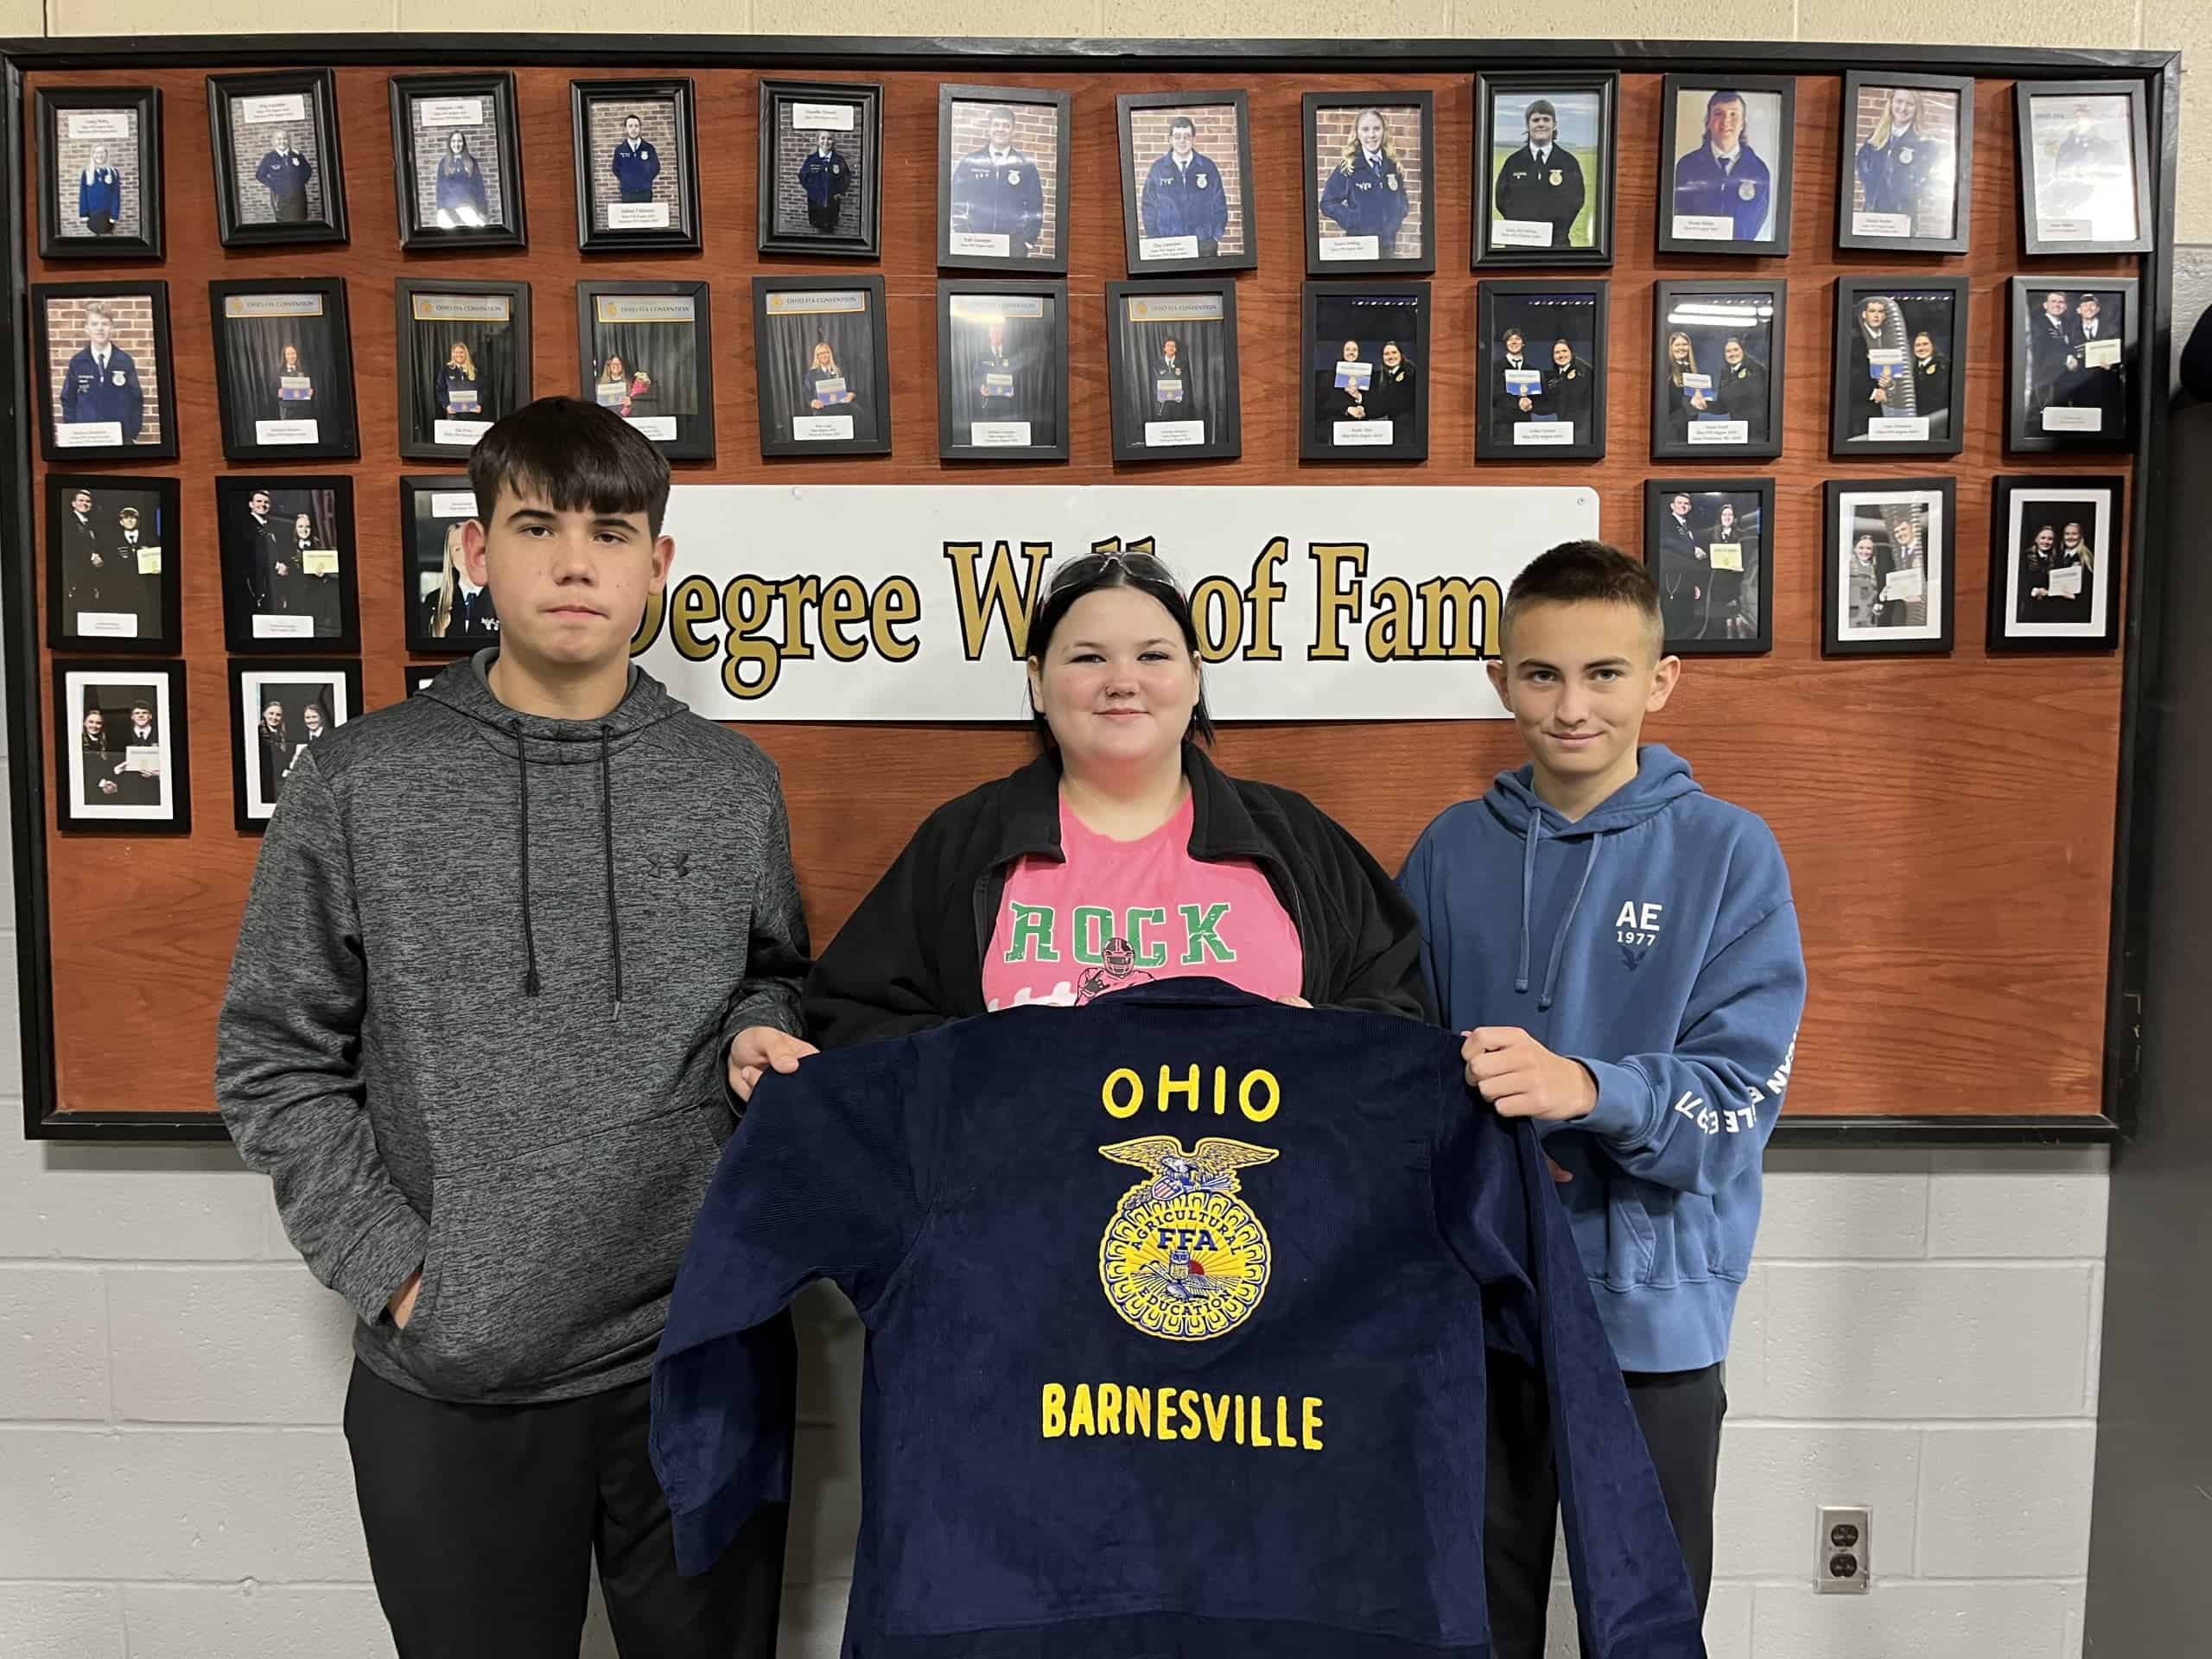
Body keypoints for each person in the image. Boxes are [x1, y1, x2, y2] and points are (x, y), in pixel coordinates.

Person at [215, 396, 809, 1659]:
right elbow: (273, 1058)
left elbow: (771, 974)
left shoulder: (730, 783)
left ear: (658, 563)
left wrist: (757, 1031)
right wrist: (404, 1278)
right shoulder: (359, 782)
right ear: (475, 553)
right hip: (454, 1379)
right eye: (538, 527)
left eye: (611, 532)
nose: (576, 562)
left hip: (698, 1358)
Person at [1396, 540, 1805, 1655]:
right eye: (1541, 675)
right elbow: (1396, 1062)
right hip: (1485, 1308)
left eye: (1604, 674)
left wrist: (1585, 1087)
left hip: (1651, 1319)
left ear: (1660, 681)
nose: (1571, 707)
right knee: (1472, 1618)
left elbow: (1737, 1100)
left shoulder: (1729, 853)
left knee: (1646, 1624)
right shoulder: (1447, 852)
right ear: (1501, 682)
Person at [804, 546, 1427, 1046]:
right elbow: (854, 1017)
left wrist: (1324, 1041)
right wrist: (983, 1061)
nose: (1123, 682)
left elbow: (1401, 1014)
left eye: (1153, 655)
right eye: (1088, 659)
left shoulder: (1293, 836)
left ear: (1195, 676)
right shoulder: (963, 839)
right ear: (1038, 682)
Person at [1672, 89, 1773, 240]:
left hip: (1737, 254)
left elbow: (1752, 225)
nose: (1726, 121)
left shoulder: (1758, 171)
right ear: (1708, 122)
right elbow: (1680, 219)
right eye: (1718, 113)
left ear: (1742, 124)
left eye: (1733, 114)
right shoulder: (1686, 166)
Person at [950, 105, 1045, 256]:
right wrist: (962, 232)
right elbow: (955, 199)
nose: (1000, 129)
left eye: (1006, 125)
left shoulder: (1026, 166)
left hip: (1012, 245)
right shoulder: (970, 162)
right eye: (996, 125)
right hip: (977, 241)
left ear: (1013, 130)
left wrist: (1027, 241)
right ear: (989, 128)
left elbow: (1036, 206)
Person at [1493, 98, 1585, 247]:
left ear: (1554, 124)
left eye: (1546, 119)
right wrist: (1525, 231)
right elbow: (1501, 200)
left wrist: (1554, 233)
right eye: (1535, 120)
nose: (1541, 124)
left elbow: (1576, 201)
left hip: (1556, 246)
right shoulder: (1513, 162)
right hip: (1518, 246)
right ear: (1527, 125)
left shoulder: (1569, 162)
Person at [1854, 85, 1947, 231]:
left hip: (1903, 217)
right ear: (1891, 103)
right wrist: (1871, 187)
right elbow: (1862, 164)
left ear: (1917, 108)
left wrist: (1911, 194)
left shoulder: (1924, 143)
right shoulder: (1875, 137)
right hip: (1873, 215)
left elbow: (1931, 179)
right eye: (1899, 101)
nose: (1903, 108)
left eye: (1910, 104)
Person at [1319, 108, 1410, 252]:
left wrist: (1397, 217)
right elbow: (1327, 203)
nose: (1372, 135)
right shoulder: (1349, 168)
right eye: (1365, 129)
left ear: (1384, 132)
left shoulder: (1392, 165)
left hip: (1388, 247)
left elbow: (1403, 199)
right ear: (1357, 133)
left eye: (1377, 129)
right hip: (1360, 248)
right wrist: (1353, 220)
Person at [1138, 114, 1228, 257]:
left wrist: (1216, 236)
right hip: (1170, 246)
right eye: (1177, 136)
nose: (1182, 141)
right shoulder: (1158, 169)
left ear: (1193, 139)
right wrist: (1155, 239)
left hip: (1203, 245)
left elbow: (1220, 203)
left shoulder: (1207, 167)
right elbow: (1148, 206)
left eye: (1187, 136)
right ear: (1170, 139)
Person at [58, 302, 144, 444]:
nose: (100, 329)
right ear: (87, 329)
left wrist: (132, 433)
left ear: (112, 328)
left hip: (119, 437)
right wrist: (74, 430)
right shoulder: (78, 362)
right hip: (87, 437)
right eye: (94, 324)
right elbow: (68, 398)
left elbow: (136, 398)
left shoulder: (124, 361)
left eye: (105, 324)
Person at [423, 519, 499, 641]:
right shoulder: (434, 601)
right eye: (458, 549)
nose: (466, 555)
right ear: (451, 558)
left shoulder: (505, 600)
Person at [1846, 296, 1906, 439]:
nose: (1877, 315)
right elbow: (1847, 376)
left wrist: (1890, 386)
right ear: (1864, 314)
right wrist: (1874, 393)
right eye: (1872, 311)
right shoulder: (1854, 342)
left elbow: (1899, 377)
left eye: (1880, 311)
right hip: (1862, 409)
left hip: (1890, 410)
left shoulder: (1892, 340)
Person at [1653, 491, 1707, 639]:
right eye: (1680, 503)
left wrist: (1695, 583)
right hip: (1671, 580)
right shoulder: (1666, 522)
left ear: (1690, 507)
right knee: (1673, 620)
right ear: (1672, 506)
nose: (1683, 506)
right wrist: (1692, 550)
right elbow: (1665, 542)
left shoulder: (1688, 526)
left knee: (1685, 620)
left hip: (1686, 580)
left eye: (1686, 504)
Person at [1701, 499, 1756, 639]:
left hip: (1736, 580)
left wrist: (1741, 567)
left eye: (1730, 515)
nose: (1727, 517)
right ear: (1720, 517)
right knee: (1720, 618)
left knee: (1736, 614)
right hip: (1718, 581)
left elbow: (1748, 558)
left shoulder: (1743, 535)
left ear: (1734, 517)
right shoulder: (1712, 535)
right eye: (1724, 514)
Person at [233, 487, 287, 617]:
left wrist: (282, 563)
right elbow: (251, 554)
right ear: (251, 504)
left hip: (271, 580)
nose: (263, 505)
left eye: (266, 502)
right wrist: (275, 565)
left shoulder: (270, 526)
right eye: (259, 501)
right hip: (255, 581)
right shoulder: (246, 525)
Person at [59, 487, 109, 618]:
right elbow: (69, 548)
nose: (85, 504)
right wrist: (91, 557)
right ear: (73, 504)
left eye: (88, 501)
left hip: (90, 574)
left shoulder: (90, 523)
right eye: (81, 500)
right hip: (75, 575)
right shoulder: (67, 522)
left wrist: (98, 557)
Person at [110, 503, 156, 632]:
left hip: (146, 586)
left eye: (133, 517)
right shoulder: (114, 541)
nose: (130, 520)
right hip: (123, 587)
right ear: (121, 522)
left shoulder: (151, 540)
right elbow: (111, 565)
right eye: (126, 517)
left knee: (146, 618)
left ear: (138, 521)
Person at [291, 511, 339, 636]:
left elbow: (329, 568)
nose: (304, 530)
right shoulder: (288, 546)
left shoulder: (319, 545)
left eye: (307, 527)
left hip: (315, 596)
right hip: (295, 596)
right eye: (300, 526)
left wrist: (323, 574)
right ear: (295, 528)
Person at [1713, 334, 1770, 438]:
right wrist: (1702, 404)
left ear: (1743, 351)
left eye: (1736, 349)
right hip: (1737, 430)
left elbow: (1744, 392)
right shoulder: (1725, 373)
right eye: (1728, 351)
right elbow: (1723, 406)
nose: (1732, 354)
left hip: (1756, 430)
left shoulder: (1756, 369)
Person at [1535, 336, 1594, 435]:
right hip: (1563, 430)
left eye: (1564, 351)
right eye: (1557, 352)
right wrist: (1531, 405)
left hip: (1582, 430)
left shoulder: (1584, 373)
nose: (1561, 355)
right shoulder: (1552, 378)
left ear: (1571, 353)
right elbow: (1551, 405)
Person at [254, 129, 314, 223]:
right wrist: (274, 185)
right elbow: (260, 175)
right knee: (283, 224)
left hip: (299, 198)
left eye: (285, 139)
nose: (282, 142)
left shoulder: (297, 155)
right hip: (281, 199)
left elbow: (308, 170)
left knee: (301, 222)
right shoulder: (269, 158)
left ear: (288, 141)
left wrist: (299, 183)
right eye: (279, 139)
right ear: (274, 141)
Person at [1660, 330, 1709, 444]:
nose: (1681, 348)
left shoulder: (1692, 369)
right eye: (1677, 345)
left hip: (1690, 425)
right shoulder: (1665, 369)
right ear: (1671, 347)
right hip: (1673, 427)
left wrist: (1704, 400)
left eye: (1685, 344)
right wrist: (1689, 400)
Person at [798, 132, 850, 234]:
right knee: (817, 228)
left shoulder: (838, 160)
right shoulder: (812, 159)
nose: (826, 141)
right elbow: (802, 176)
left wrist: (839, 191)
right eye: (823, 138)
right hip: (815, 202)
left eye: (829, 138)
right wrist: (812, 190)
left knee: (830, 229)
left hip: (832, 202)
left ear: (833, 141)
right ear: (818, 141)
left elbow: (846, 177)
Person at [435, 130, 489, 228]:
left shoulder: (472, 162)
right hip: (449, 207)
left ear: (464, 143)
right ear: (449, 144)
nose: (456, 144)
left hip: (468, 206)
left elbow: (479, 187)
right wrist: (441, 209)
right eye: (453, 141)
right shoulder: (443, 163)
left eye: (459, 141)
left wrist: (482, 211)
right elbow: (440, 189)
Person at [1492, 328, 1541, 437]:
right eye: (1510, 339)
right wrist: (1517, 402)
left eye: (1518, 339)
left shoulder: (1533, 371)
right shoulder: (1495, 368)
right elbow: (1493, 394)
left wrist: (1531, 403)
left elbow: (1538, 398)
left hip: (1525, 425)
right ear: (1506, 344)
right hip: (1503, 426)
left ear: (1523, 343)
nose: (1514, 342)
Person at [114, 697, 162, 807]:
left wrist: (160, 775)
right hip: (129, 789)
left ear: (150, 716)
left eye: (144, 713)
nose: (141, 715)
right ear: (132, 717)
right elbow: (115, 762)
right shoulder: (122, 736)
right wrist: (117, 770)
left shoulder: (161, 734)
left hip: (155, 789)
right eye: (137, 713)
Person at [1880, 518, 1927, 627]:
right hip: (1900, 615)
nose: (1900, 534)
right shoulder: (1896, 554)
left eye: (1903, 529)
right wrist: (1885, 593)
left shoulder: (1925, 550)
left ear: (1913, 529)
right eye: (1897, 532)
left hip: (1921, 615)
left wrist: (1922, 597)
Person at [972, 321, 1020, 423]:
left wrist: (1014, 388)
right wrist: (981, 388)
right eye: (993, 333)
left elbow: (1017, 376)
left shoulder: (1011, 354)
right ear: (989, 334)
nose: (996, 335)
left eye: (998, 333)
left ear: (1002, 335)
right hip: (989, 403)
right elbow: (976, 377)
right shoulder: (982, 355)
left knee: (1006, 432)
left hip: (1007, 404)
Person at [1319, 338, 1370, 430]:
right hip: (1338, 425)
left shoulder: (1367, 374)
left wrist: (1359, 399)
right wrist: (1347, 409)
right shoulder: (1329, 376)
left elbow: (1372, 401)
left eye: (1354, 350)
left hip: (1361, 426)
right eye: (1347, 349)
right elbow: (1325, 404)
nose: (1351, 352)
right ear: (1342, 352)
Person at [610, 112, 660, 206]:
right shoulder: (620, 150)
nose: (633, 129)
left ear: (640, 128)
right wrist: (627, 180)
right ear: (625, 129)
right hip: (627, 193)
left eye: (636, 126)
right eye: (630, 126)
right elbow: (616, 169)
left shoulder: (649, 148)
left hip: (645, 193)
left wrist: (645, 180)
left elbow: (656, 168)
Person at [802, 340, 858, 423]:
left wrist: (852, 394)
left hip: (842, 412)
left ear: (830, 354)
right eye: (820, 354)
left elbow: (852, 388)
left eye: (826, 352)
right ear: (817, 356)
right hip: (821, 413)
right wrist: (812, 402)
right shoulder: (811, 374)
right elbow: (806, 393)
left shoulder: (840, 370)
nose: (823, 356)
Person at [1846, 531, 1890, 630]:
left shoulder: (1874, 568)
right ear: (1855, 549)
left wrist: (1881, 598)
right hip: (1852, 621)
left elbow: (1873, 597)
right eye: (1861, 548)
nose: (1865, 551)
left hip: (1870, 621)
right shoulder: (1848, 568)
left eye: (1869, 548)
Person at [1366, 340, 1415, 428]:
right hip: (1388, 426)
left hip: (1406, 425)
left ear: (1401, 355)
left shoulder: (1411, 374)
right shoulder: (1381, 377)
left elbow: (1399, 403)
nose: (1391, 357)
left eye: (1394, 352)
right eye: (1387, 354)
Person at [77, 143, 123, 236]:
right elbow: (83, 194)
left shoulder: (113, 172)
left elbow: (116, 195)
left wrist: (114, 215)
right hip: (92, 214)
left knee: (107, 236)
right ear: (92, 155)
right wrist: (84, 213)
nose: (99, 155)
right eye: (96, 152)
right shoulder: (87, 172)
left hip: (108, 214)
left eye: (102, 152)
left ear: (106, 154)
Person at [1910, 329, 1952, 429]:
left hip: (1937, 419)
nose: (1921, 348)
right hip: (1917, 420)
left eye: (1925, 344)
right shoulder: (1913, 368)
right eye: (1918, 345)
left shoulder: (1943, 366)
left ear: (1933, 346)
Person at [436, 340, 485, 425]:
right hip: (454, 416)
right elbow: (440, 390)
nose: (459, 355)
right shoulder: (445, 370)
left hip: (473, 415)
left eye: (461, 352)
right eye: (456, 352)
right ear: (453, 354)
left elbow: (484, 389)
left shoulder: (476, 370)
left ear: (466, 353)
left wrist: (480, 404)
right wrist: (447, 405)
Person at [79, 708, 120, 804]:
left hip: (102, 788)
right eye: (91, 722)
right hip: (87, 789)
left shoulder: (105, 742)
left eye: (98, 723)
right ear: (84, 723)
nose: (94, 726)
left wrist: (114, 772)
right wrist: (101, 783)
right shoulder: (80, 742)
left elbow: (103, 767)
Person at [256, 699, 295, 800]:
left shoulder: (283, 733)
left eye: (278, 715)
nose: (274, 717)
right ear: (264, 714)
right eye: (271, 713)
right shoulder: (258, 734)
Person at [593, 353, 652, 419]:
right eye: (614, 363)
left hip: (624, 419)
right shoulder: (599, 384)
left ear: (622, 366)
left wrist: (631, 402)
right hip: (606, 419)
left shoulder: (629, 382)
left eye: (619, 364)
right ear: (609, 366)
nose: (616, 366)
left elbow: (639, 402)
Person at [1149, 336, 1192, 423]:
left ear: (1176, 349)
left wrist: (1181, 396)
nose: (1171, 348)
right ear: (1164, 348)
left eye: (1173, 346)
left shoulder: (1183, 364)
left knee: (1178, 426)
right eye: (1168, 346)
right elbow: (1154, 383)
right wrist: (1158, 396)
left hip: (1179, 403)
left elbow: (1186, 383)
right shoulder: (1157, 364)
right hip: (1163, 403)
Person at [272, 342, 315, 423]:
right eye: (288, 354)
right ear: (284, 356)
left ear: (296, 355)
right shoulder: (279, 372)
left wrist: (310, 391)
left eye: (293, 353)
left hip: (303, 409)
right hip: (286, 409)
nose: (291, 356)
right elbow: (273, 389)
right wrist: (278, 393)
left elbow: (310, 386)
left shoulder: (304, 370)